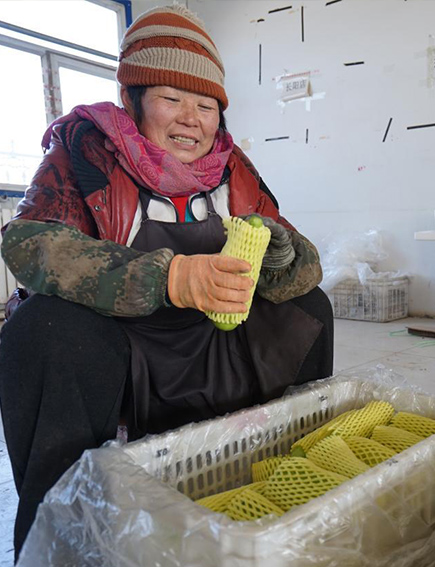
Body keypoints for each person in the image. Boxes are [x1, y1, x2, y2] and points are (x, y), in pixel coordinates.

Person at [0, 5, 333, 556]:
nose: (191, 119)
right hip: (124, 345)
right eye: (171, 99)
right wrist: (170, 277)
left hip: (209, 340)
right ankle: (61, 535)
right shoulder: (84, 150)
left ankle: (293, 474)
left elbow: (305, 264)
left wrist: (282, 259)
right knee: (44, 330)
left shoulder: (233, 169)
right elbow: (30, 243)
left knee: (309, 310)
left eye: (205, 105)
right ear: (133, 100)